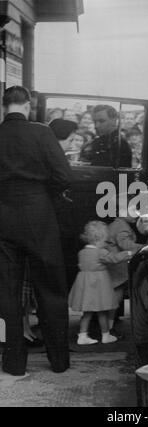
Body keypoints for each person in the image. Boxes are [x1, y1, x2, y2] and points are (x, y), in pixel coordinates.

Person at [0, 86, 72, 376]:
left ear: (4, 106)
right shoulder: (42, 133)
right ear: (28, 105)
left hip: (2, 216)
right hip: (39, 215)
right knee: (51, 289)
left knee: (7, 291)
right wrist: (45, 194)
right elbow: (64, 176)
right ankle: (59, 361)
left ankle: (14, 363)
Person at [68, 221, 132, 345]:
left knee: (87, 313)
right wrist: (128, 253)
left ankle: (82, 335)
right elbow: (114, 259)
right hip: (99, 287)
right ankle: (106, 335)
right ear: (99, 239)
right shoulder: (100, 252)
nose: (106, 243)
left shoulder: (82, 253)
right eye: (105, 240)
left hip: (86, 287)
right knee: (102, 311)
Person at [107, 205, 148, 330]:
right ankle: (108, 328)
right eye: (133, 210)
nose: (137, 213)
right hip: (118, 268)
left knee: (114, 298)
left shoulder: (119, 224)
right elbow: (125, 245)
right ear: (122, 212)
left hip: (115, 267)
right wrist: (145, 247)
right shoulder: (121, 226)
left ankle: (109, 325)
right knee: (115, 299)